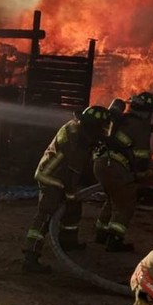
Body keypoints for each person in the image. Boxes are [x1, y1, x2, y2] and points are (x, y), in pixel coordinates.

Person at [21, 104, 111, 274]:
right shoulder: (76, 142)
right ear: (92, 128)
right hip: (51, 176)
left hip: (62, 175)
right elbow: (72, 172)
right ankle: (30, 257)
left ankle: (68, 241)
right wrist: (70, 194)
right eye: (100, 129)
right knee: (46, 214)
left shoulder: (77, 128)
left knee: (74, 209)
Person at [93, 91, 153, 252]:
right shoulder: (141, 126)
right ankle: (115, 240)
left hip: (101, 162)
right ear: (146, 111)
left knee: (112, 198)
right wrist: (143, 173)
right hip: (116, 167)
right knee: (125, 204)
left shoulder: (121, 120)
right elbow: (141, 156)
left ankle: (101, 233)